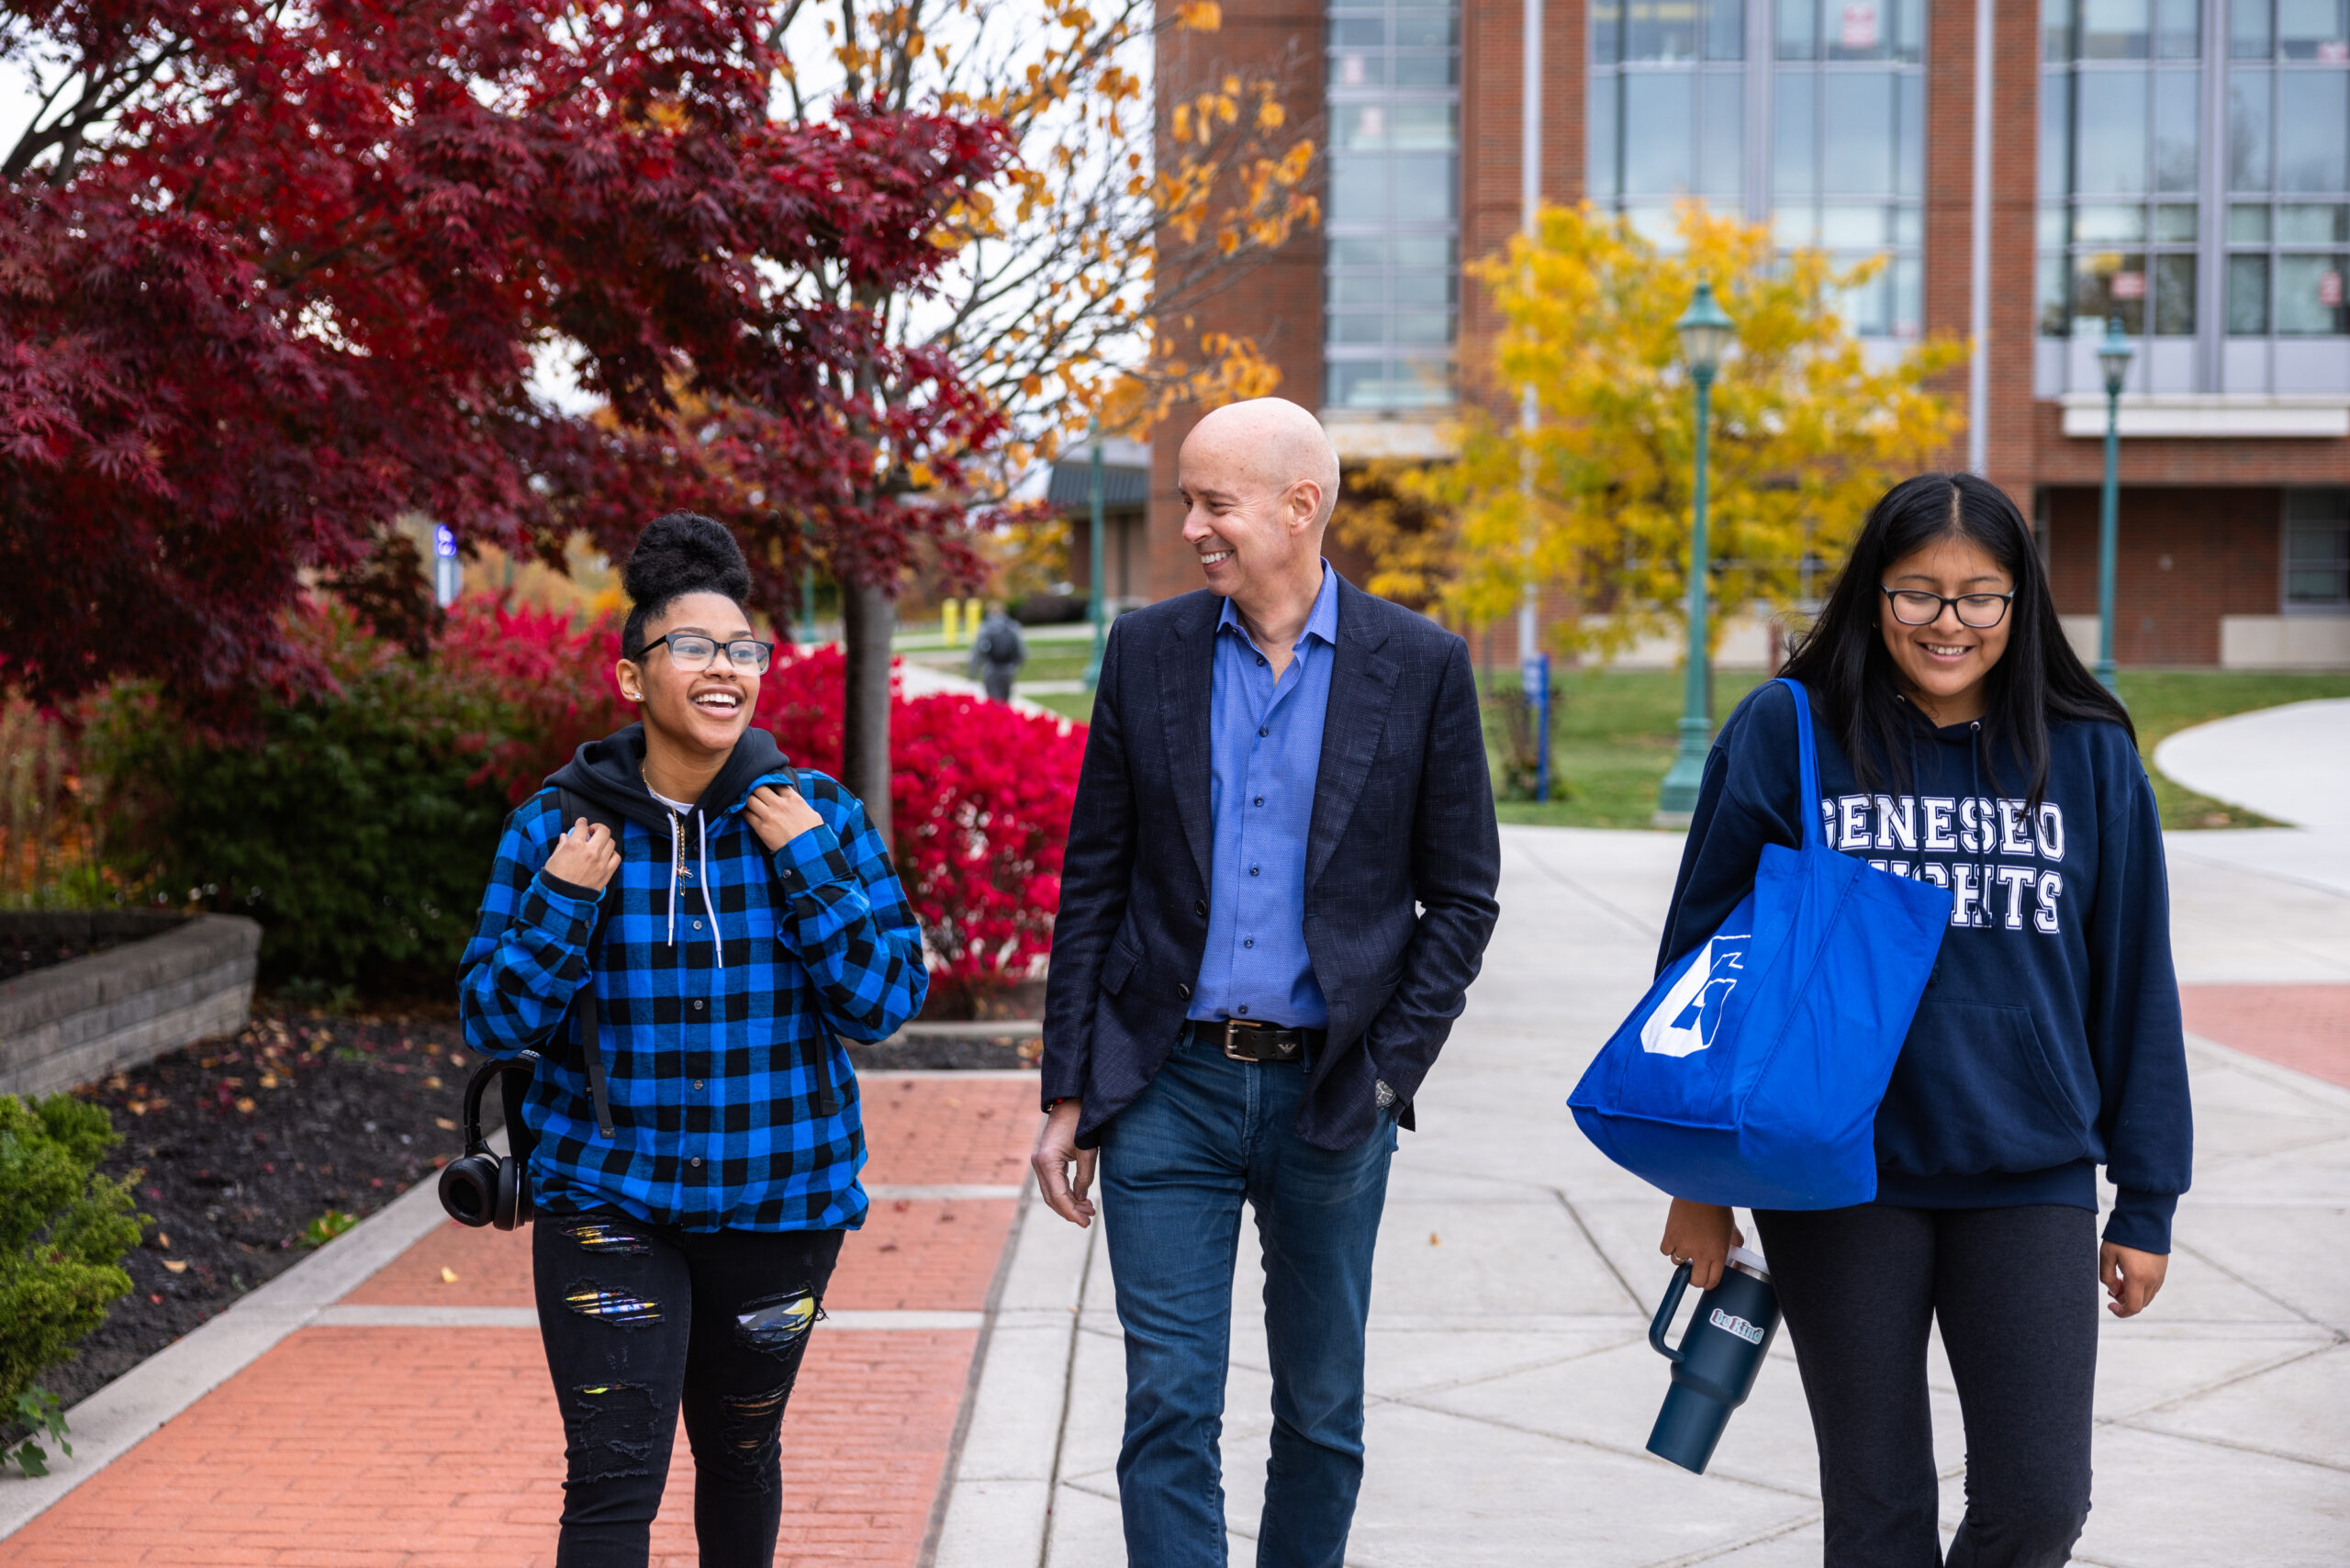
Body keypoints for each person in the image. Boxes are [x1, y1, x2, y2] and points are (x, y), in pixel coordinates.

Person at [1654, 473, 2192, 1568]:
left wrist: (2147, 1195)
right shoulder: (1790, 730)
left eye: (1979, 596)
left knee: (2041, 1502)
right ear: (1872, 595)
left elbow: (2135, 979)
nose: (1948, 623)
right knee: (1878, 1511)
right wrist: (1696, 1177)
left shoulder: (2087, 752)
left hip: (2026, 1169)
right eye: (1917, 594)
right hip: (1832, 1172)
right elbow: (1703, 964)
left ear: (2019, 602)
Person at [1030, 397, 1501, 1568]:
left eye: (1212, 501)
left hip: (1333, 1096)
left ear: (1300, 507)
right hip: (1167, 1088)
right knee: (1170, 1408)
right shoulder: (1146, 653)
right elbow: (1094, 880)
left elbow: (1464, 898)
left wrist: (1388, 1074)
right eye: (1186, 498)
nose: (1190, 524)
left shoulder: (1423, 666)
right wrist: (1067, 1090)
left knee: (1320, 1414)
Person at [458, 512, 927, 1568]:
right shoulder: (557, 827)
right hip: (606, 1200)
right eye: (694, 647)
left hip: (781, 1200)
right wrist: (563, 903)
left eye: (742, 649)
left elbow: (884, 1001)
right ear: (631, 678)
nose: (726, 668)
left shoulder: (820, 816)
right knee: (613, 1476)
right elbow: (493, 1016)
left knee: (741, 1453)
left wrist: (809, 867)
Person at [968, 599, 1027, 700]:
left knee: (993, 702)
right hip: (1008, 669)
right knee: (1005, 701)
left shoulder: (985, 628)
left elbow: (977, 652)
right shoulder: (1012, 626)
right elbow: (1021, 650)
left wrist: (972, 672)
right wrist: (1016, 666)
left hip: (990, 669)